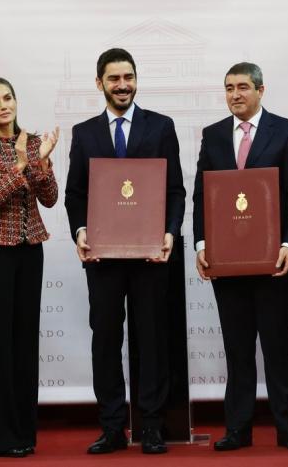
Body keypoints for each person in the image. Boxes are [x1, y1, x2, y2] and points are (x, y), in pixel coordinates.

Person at [64, 48, 185, 455]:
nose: (123, 85)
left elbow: (175, 191)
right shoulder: (84, 134)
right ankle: (113, 427)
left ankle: (151, 426)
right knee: (106, 341)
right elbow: (75, 194)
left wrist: (170, 232)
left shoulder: (161, 127)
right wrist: (80, 231)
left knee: (152, 340)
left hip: (152, 255)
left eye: (129, 77)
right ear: (99, 83)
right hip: (103, 258)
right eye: (114, 79)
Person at [192, 62, 288, 452]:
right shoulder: (212, 136)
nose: (235, 94)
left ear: (261, 90)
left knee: (278, 346)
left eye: (243, 87)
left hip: (273, 262)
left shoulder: (287, 131)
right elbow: (201, 197)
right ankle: (237, 429)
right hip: (227, 262)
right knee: (237, 349)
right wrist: (201, 245)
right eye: (228, 88)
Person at [0, 76, 59, 458]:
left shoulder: (34, 141)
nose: (3, 106)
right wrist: (20, 165)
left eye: (8, 98)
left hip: (29, 249)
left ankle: (24, 433)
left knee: (24, 342)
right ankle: (1, 438)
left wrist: (42, 164)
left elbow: (49, 199)